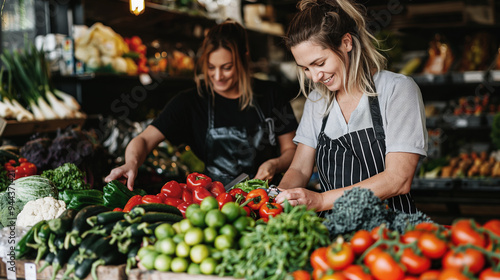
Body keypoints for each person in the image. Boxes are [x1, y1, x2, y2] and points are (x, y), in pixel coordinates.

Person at [274, 0, 428, 216]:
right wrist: (277, 197)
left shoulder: (396, 90)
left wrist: (320, 200)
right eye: (305, 68)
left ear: (346, 42)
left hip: (390, 233)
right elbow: (299, 169)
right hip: (334, 236)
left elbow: (398, 180)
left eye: (320, 63)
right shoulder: (317, 101)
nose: (315, 77)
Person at [105, 20, 298, 190]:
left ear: (244, 58)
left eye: (227, 67)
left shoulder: (271, 94)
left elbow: (291, 150)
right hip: (212, 199)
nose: (217, 76)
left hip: (264, 197)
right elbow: (144, 140)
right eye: (211, 67)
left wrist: (275, 164)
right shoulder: (190, 101)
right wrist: (131, 163)